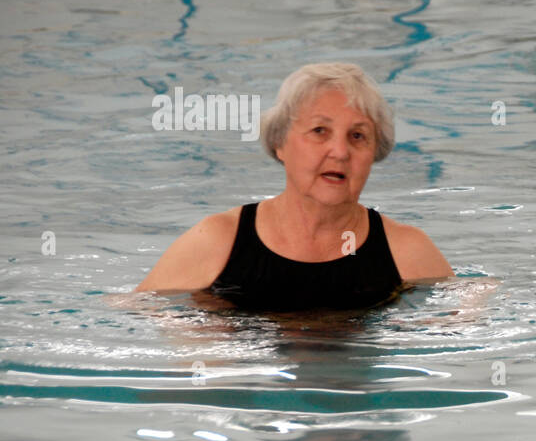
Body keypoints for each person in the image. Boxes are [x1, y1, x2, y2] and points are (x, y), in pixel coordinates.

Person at [136, 63, 452, 310]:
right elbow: (133, 313)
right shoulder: (218, 241)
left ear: (374, 153)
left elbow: (465, 324)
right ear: (280, 144)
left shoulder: (405, 251)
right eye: (319, 130)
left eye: (357, 136)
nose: (340, 152)